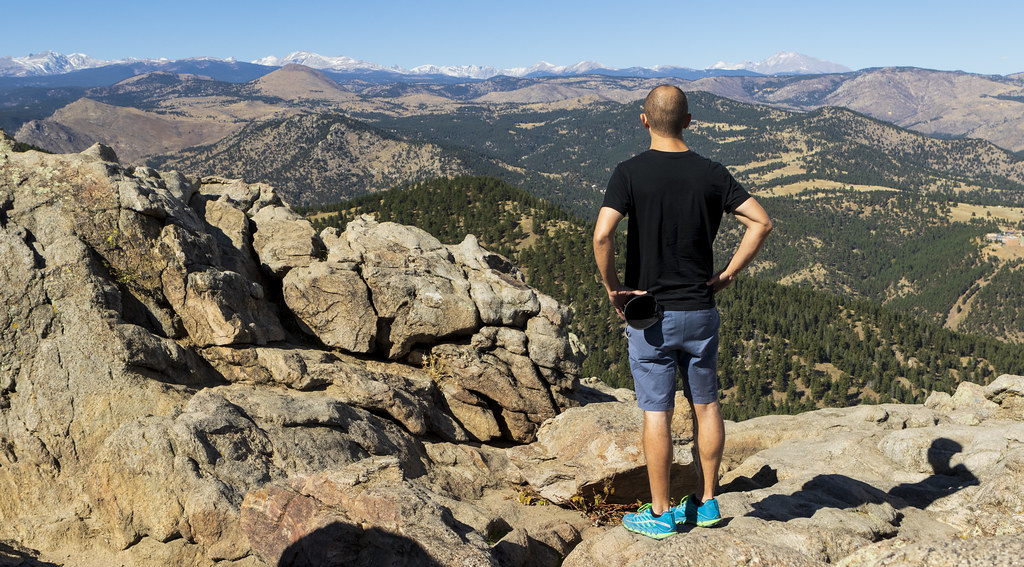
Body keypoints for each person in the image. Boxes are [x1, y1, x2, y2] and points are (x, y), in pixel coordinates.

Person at [592, 84, 772, 539]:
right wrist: (728, 274)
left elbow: (602, 235)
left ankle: (659, 513)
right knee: (706, 405)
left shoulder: (629, 173)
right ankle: (707, 501)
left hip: (649, 314)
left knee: (658, 413)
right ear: (689, 121)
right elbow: (761, 222)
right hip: (700, 309)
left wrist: (614, 288)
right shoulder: (711, 173)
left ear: (644, 119)